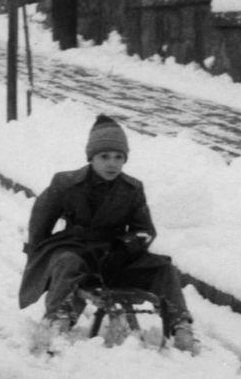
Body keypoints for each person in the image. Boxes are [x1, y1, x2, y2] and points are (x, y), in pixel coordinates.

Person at [18, 114, 197, 353]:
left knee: (163, 268)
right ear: (91, 157)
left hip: (113, 255)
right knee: (67, 262)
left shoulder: (132, 188)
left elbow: (145, 230)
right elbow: (40, 222)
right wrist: (38, 256)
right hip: (76, 247)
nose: (112, 164)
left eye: (118, 157)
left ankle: (181, 325)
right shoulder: (67, 183)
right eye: (104, 157)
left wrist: (125, 247)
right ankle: (59, 317)